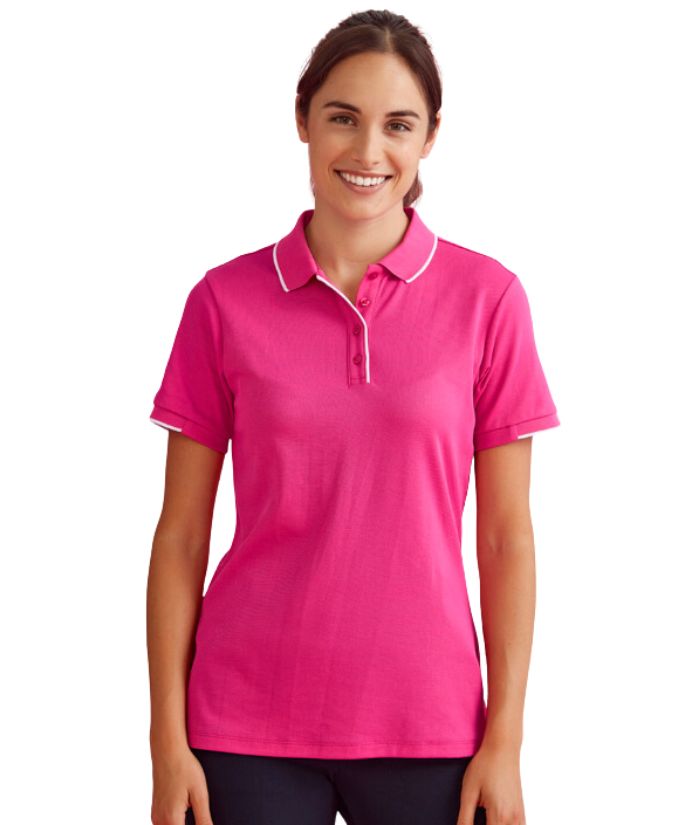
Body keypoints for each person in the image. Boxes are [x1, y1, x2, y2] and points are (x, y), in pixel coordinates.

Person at [147, 10, 560, 825]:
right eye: (343, 118)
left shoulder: (489, 301)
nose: (369, 151)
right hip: (243, 721)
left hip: (432, 724)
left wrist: (506, 739)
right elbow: (181, 536)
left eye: (397, 125)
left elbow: (506, 537)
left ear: (430, 137)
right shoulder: (222, 302)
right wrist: (166, 740)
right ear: (303, 119)